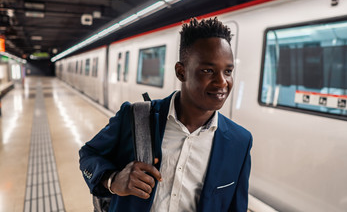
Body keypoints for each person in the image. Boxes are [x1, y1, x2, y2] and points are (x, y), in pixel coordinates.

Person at [79, 17, 252, 212]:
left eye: (228, 71)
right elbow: (88, 155)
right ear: (181, 72)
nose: (222, 82)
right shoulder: (135, 117)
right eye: (208, 70)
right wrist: (112, 180)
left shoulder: (239, 142)